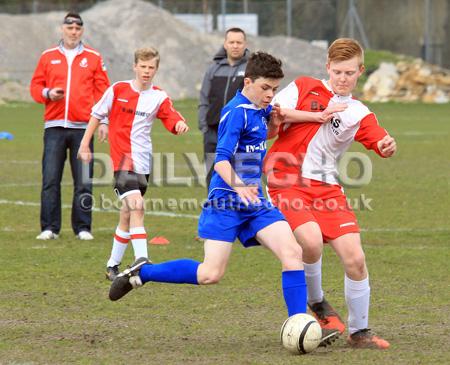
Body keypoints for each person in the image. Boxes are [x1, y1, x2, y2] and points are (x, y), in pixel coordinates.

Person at [108, 52, 339, 346]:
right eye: (265, 88)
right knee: (210, 274)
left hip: (254, 204)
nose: (270, 95)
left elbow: (280, 116)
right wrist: (240, 186)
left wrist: (316, 117)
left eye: (274, 89)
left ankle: (299, 323)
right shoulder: (236, 112)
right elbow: (220, 161)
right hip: (226, 201)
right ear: (248, 82)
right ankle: (143, 272)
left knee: (292, 252)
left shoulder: (260, 107)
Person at [265, 38, 397, 349]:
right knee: (309, 241)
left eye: (349, 73)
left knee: (355, 258)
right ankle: (319, 304)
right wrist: (294, 117)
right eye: (337, 71)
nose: (342, 78)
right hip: (286, 179)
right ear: (328, 68)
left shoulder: (358, 112)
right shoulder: (304, 87)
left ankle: (359, 332)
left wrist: (386, 146)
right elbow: (273, 114)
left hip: (327, 189)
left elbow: (378, 140)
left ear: (360, 72)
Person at [77, 47, 189, 281]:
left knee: (127, 215)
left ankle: (112, 265)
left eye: (151, 68)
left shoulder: (158, 96)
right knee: (137, 206)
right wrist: (85, 144)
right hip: (121, 162)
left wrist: (179, 124)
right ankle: (141, 259)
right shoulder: (117, 90)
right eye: (143, 66)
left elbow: (171, 115)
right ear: (135, 66)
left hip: (143, 163)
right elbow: (97, 115)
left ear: (156, 69)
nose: (146, 71)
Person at [30, 12, 110, 241]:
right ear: (62, 29)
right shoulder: (48, 56)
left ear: (82, 31)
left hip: (83, 128)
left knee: (84, 180)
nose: (73, 32)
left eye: (77, 29)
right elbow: (36, 86)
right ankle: (49, 228)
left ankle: (83, 228)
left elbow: (103, 92)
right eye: (69, 28)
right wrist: (48, 93)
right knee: (50, 179)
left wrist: (103, 120)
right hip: (54, 127)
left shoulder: (94, 57)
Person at [199, 27, 249, 189]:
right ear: (225, 44)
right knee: (212, 174)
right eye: (232, 42)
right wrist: (204, 126)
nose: (235, 46)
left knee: (239, 175)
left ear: (244, 44)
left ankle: (238, 210)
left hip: (239, 133)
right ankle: (213, 208)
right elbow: (204, 97)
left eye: (239, 42)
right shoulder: (213, 68)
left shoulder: (251, 69)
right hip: (213, 132)